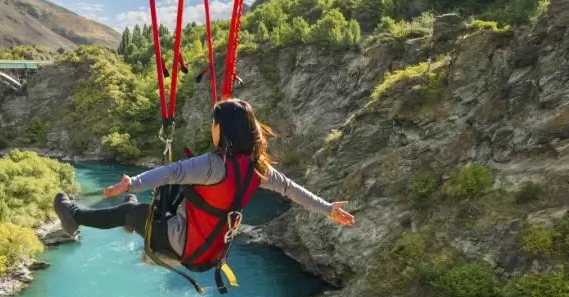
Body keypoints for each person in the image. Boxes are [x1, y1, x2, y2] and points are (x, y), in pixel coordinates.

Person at [53, 99, 354, 273]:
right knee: (138, 211)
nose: (211, 128)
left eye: (214, 123)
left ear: (222, 129)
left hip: (184, 244)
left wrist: (132, 182)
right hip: (210, 255)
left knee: (129, 214)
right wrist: (327, 209)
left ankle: (72, 216)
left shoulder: (212, 165)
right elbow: (291, 189)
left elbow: (171, 172)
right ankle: (130, 211)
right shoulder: (258, 168)